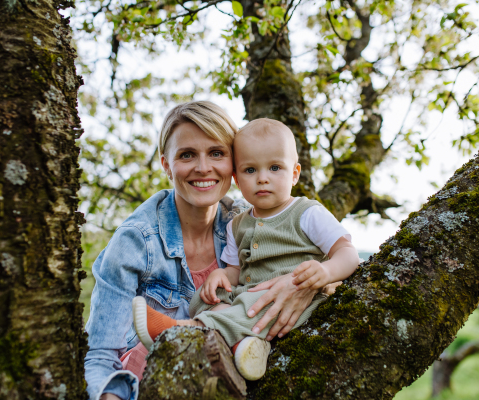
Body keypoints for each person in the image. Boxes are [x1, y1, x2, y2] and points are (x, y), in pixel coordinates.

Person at [84, 104, 336, 400]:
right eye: (187, 154)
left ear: (233, 164)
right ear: (166, 165)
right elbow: (100, 355)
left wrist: (304, 284)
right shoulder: (135, 241)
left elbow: (334, 260)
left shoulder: (248, 220)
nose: (203, 167)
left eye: (216, 153)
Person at [132, 118, 360, 381]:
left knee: (253, 301)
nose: (263, 178)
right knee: (209, 295)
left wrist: (325, 271)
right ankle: (245, 346)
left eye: (275, 168)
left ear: (295, 173)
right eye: (250, 170)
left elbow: (348, 253)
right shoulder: (236, 224)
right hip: (249, 295)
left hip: (291, 300)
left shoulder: (307, 213)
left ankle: (183, 332)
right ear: (237, 179)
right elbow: (235, 271)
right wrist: (221, 277)